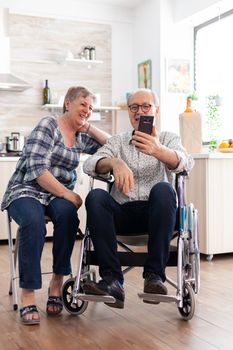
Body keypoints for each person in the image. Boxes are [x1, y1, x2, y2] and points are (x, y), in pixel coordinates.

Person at [1, 86, 110, 324]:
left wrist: (88, 126)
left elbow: (110, 145)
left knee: (69, 217)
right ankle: (28, 292)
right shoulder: (48, 125)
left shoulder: (81, 136)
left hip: (55, 197)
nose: (87, 110)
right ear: (67, 103)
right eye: (83, 104)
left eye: (90, 107)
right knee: (33, 221)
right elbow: (38, 170)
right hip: (26, 189)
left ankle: (57, 281)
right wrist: (68, 194)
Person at [82, 88, 193, 309]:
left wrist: (158, 150)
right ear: (129, 112)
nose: (139, 111)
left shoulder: (169, 139)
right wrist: (114, 163)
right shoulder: (118, 141)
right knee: (95, 196)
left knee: (163, 189)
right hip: (123, 213)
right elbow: (89, 164)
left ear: (156, 110)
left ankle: (154, 277)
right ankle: (112, 280)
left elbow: (186, 163)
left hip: (158, 215)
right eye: (134, 107)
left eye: (146, 106)